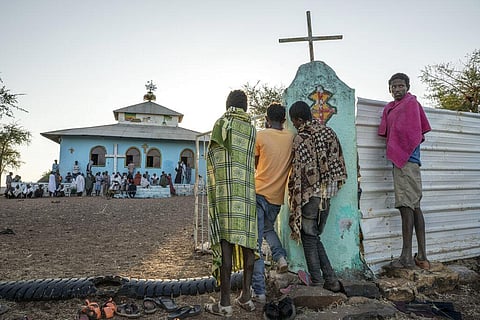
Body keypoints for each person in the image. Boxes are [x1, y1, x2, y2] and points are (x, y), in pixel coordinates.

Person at [204, 90, 257, 317]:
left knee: (225, 243)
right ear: (245, 107)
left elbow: (213, 157)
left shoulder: (222, 123)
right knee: (248, 244)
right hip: (246, 193)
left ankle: (224, 303)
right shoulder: (253, 129)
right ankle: (246, 296)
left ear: (228, 105)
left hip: (226, 193)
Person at [288, 101, 347, 292]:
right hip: (326, 196)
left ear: (298, 119)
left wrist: (298, 198)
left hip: (309, 197)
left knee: (309, 238)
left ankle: (317, 280)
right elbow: (338, 160)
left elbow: (299, 173)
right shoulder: (328, 132)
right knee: (314, 237)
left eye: (294, 122)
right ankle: (330, 279)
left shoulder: (301, 139)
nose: (294, 126)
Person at [378, 73, 432, 270]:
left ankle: (406, 258)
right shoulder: (391, 108)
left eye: (401, 85)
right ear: (389, 89)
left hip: (407, 162)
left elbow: (411, 133)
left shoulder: (410, 104)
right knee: (414, 206)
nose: (397, 89)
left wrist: (402, 152)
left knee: (406, 207)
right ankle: (422, 256)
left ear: (407, 87)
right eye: (394, 86)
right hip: (407, 162)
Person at [251, 103, 294, 302]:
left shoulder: (260, 135)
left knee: (256, 244)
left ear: (267, 119)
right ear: (284, 120)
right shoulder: (291, 137)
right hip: (277, 197)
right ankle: (280, 257)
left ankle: (259, 291)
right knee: (268, 228)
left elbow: (255, 163)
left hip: (259, 193)